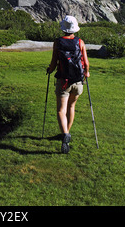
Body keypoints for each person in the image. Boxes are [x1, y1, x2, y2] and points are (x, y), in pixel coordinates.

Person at [47, 15, 90, 153]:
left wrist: (50, 70)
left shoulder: (58, 42)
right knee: (71, 106)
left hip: (63, 81)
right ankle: (67, 132)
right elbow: (86, 63)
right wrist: (87, 73)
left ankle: (65, 134)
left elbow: (54, 61)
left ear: (63, 28)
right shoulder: (80, 42)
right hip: (78, 81)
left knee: (61, 110)